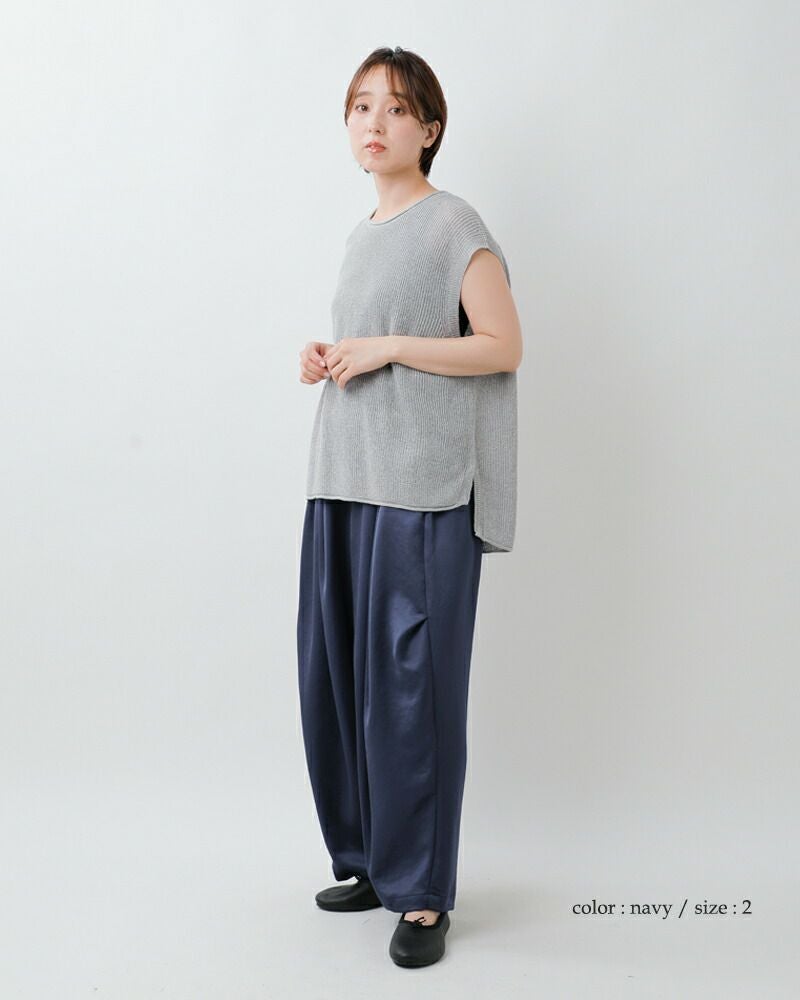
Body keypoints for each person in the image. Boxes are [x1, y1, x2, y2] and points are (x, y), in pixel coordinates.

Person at [296, 45, 522, 968]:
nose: (374, 123)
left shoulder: (453, 223)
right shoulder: (363, 235)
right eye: (360, 107)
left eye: (394, 109)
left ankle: (423, 895)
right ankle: (369, 860)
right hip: (346, 475)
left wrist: (388, 344)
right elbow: (375, 345)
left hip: (424, 489)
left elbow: (502, 344)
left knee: (411, 692)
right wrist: (332, 354)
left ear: (428, 128)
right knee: (340, 681)